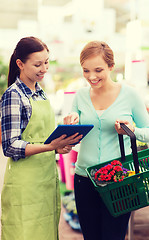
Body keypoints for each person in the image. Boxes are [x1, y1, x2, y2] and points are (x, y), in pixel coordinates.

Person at [63, 41, 149, 240]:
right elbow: (72, 135)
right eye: (86, 70)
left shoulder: (130, 95)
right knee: (91, 236)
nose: (91, 77)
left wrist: (131, 130)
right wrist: (70, 124)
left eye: (98, 70)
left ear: (111, 67)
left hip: (118, 180)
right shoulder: (80, 96)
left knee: (113, 236)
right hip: (84, 178)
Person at [0, 36, 82, 240]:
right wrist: (50, 147)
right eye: (38, 64)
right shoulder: (13, 95)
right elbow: (10, 146)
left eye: (46, 62)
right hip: (25, 184)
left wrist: (60, 144)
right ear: (20, 64)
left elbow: (43, 139)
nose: (44, 68)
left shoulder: (41, 93)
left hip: (45, 180)